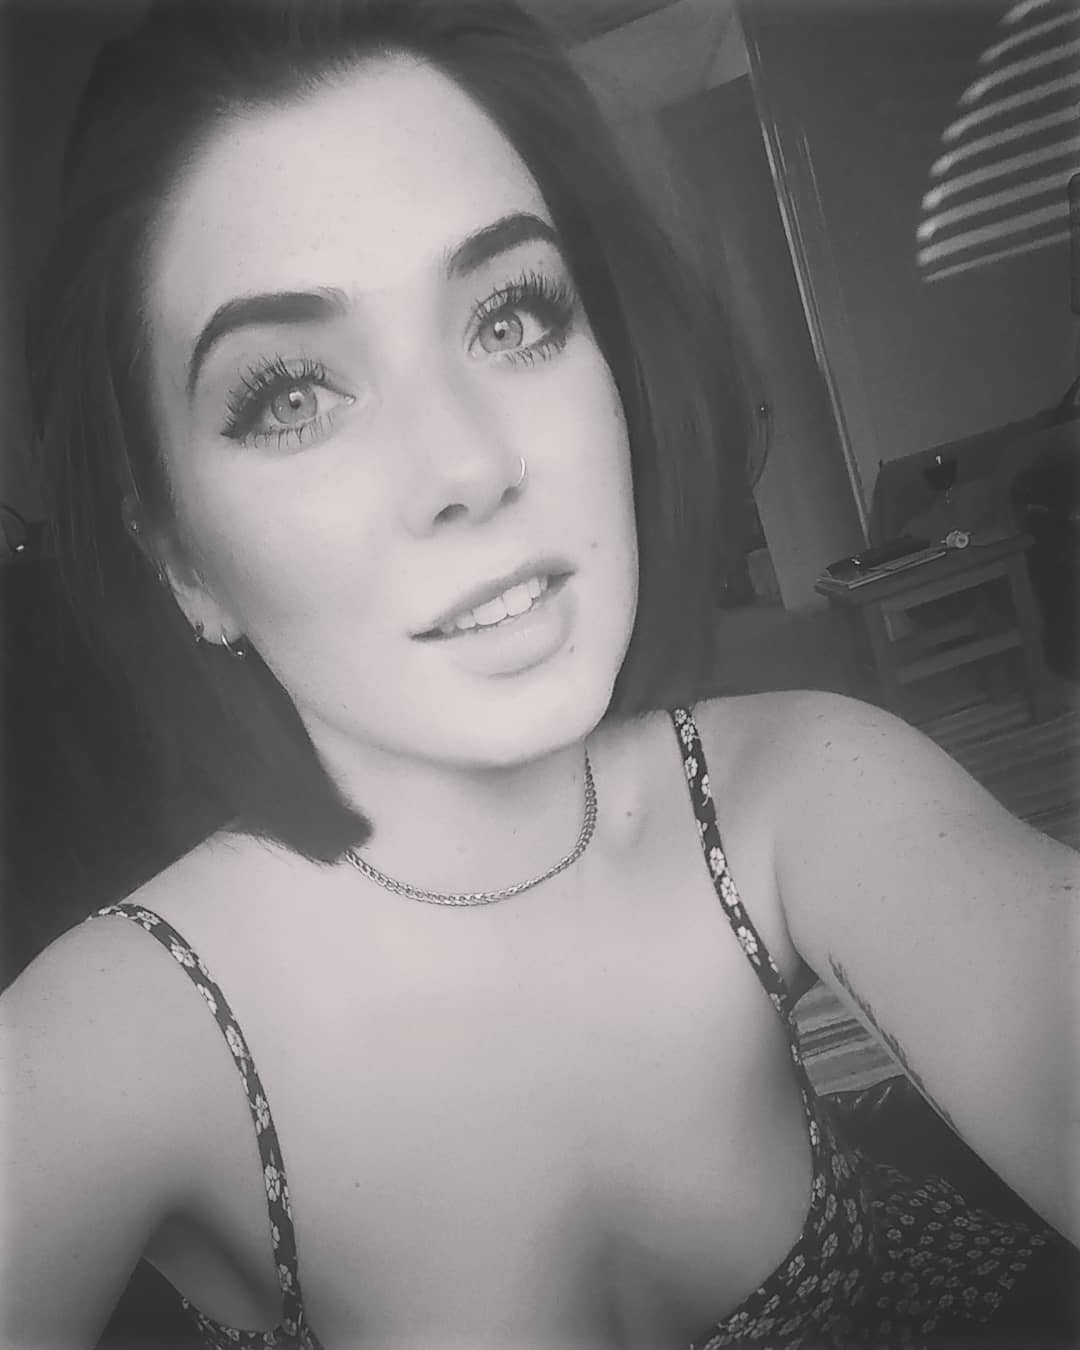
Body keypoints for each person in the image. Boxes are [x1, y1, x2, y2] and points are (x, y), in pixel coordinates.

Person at [2, 1, 1077, 1347]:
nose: (471, 465)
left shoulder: (798, 785)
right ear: (182, 561)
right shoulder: (119, 1034)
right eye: (293, 397)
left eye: (511, 317)